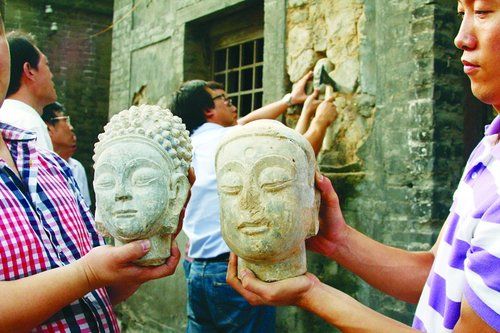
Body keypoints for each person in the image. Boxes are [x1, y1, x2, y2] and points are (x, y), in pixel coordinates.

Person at [227, 1, 500, 332]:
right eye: (462, 14)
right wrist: (337, 239)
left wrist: (311, 293)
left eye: (484, 12)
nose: (461, 37)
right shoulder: (490, 147)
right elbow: (434, 273)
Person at [0, 14, 181, 332]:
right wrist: (87, 274)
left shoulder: (51, 166)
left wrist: (127, 269)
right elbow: (88, 275)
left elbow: (99, 295)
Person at [171, 73, 335, 332]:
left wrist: (290, 100)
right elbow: (293, 160)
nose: (232, 104)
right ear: (208, 110)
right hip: (231, 270)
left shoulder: (190, 148)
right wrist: (320, 122)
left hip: (195, 270)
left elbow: (248, 122)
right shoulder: (228, 142)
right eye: (223, 99)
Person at [0, 31, 55, 150]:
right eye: (46, 64)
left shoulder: (8, 115)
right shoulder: (28, 125)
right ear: (29, 70)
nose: (51, 75)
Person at [42, 102, 92, 207]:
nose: (71, 128)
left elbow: (85, 208)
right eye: (65, 121)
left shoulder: (77, 167)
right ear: (49, 128)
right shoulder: (37, 166)